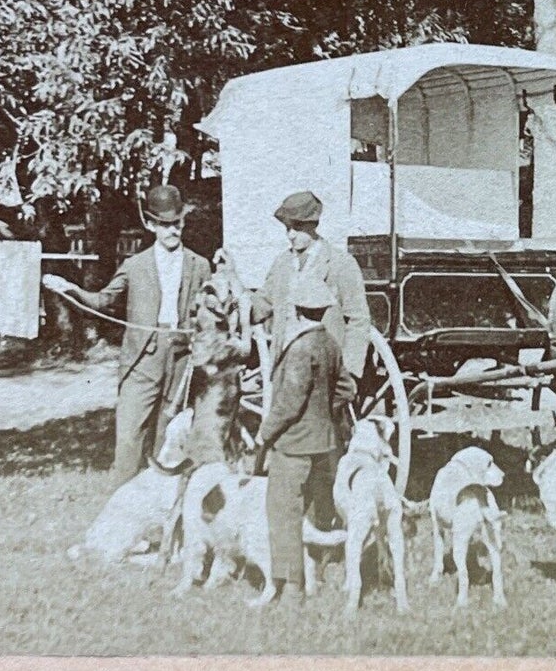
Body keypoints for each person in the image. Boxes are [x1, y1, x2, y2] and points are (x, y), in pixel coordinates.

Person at [42, 184, 210, 487]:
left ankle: (160, 512)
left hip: (181, 359)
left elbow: (207, 314)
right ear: (151, 224)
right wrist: (70, 289)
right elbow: (103, 300)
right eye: (165, 224)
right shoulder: (135, 266)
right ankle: (119, 512)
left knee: (167, 438)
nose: (173, 230)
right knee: (130, 437)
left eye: (177, 223)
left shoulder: (200, 265)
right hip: (142, 361)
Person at [258, 277, 343, 604]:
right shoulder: (330, 344)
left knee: (283, 513)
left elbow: (289, 402)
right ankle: (316, 577)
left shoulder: (300, 348)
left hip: (293, 446)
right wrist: (322, 411)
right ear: (321, 311)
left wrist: (265, 432)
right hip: (324, 443)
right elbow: (346, 388)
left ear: (296, 310)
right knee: (316, 510)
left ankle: (291, 588)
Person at [246, 190, 372, 394]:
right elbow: (262, 303)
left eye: (297, 227)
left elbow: (358, 320)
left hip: (324, 373)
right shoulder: (282, 263)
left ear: (313, 225)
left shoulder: (341, 264)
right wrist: (234, 299)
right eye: (287, 228)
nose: (291, 234)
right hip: (283, 371)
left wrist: (347, 373)